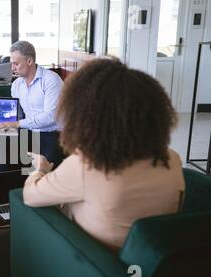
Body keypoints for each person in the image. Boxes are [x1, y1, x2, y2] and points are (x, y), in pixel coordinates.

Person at [23, 59, 185, 252]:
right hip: (149, 263)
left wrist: (39, 170)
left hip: (91, 262)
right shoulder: (172, 159)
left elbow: (30, 195)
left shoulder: (86, 166)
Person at [0, 40, 64, 168]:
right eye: (12, 63)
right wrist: (0, 121)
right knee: (2, 151)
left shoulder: (51, 80)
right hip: (29, 131)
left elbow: (50, 117)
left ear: (29, 61)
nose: (12, 68)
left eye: (16, 64)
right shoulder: (16, 85)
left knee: (41, 170)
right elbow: (17, 114)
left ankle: (33, 182)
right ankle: (3, 186)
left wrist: (17, 123)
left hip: (53, 133)